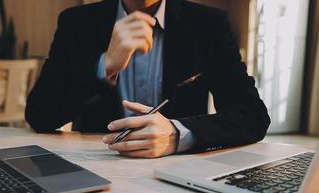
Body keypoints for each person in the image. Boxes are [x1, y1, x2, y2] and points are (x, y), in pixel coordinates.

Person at [25, 0, 271, 158]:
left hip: (179, 174)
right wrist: (104, 66)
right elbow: (39, 115)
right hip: (95, 169)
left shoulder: (208, 24)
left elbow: (253, 115)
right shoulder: (77, 22)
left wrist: (177, 134)